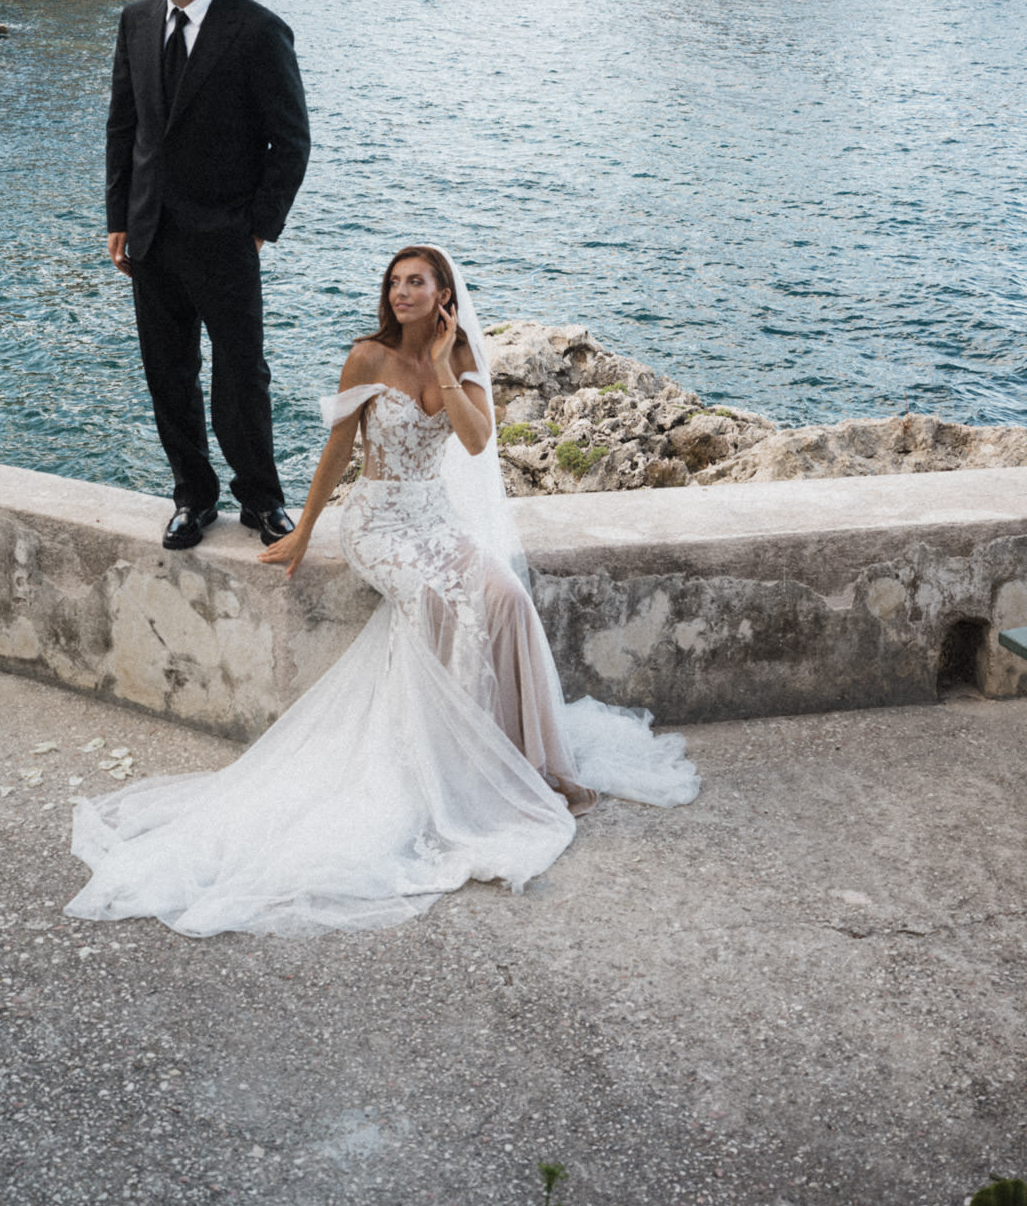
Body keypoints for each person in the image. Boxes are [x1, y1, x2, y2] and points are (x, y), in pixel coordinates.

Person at [66, 245, 699, 939]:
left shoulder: (457, 363)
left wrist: (442, 366)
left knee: (507, 601)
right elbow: (339, 446)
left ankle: (518, 758)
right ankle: (447, 774)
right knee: (435, 604)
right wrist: (306, 530)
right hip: (377, 523)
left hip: (435, 516)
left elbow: (479, 442)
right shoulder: (367, 356)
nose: (401, 293)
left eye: (416, 283)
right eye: (394, 283)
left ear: (443, 294)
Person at [106, 0, 310, 551]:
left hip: (224, 239)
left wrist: (258, 225)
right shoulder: (136, 22)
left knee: (241, 375)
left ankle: (262, 499)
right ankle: (193, 497)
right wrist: (118, 217)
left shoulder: (257, 31)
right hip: (150, 238)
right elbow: (124, 127)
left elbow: (292, 141)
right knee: (169, 376)